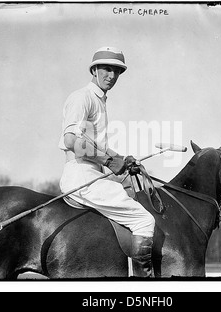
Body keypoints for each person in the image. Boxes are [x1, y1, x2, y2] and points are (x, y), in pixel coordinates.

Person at [58, 46, 155, 277]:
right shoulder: (82, 97)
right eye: (107, 69)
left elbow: (97, 146)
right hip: (81, 176)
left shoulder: (99, 101)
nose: (111, 76)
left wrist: (121, 159)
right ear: (94, 70)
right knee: (144, 220)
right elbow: (71, 140)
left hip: (92, 173)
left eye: (117, 72)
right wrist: (109, 161)